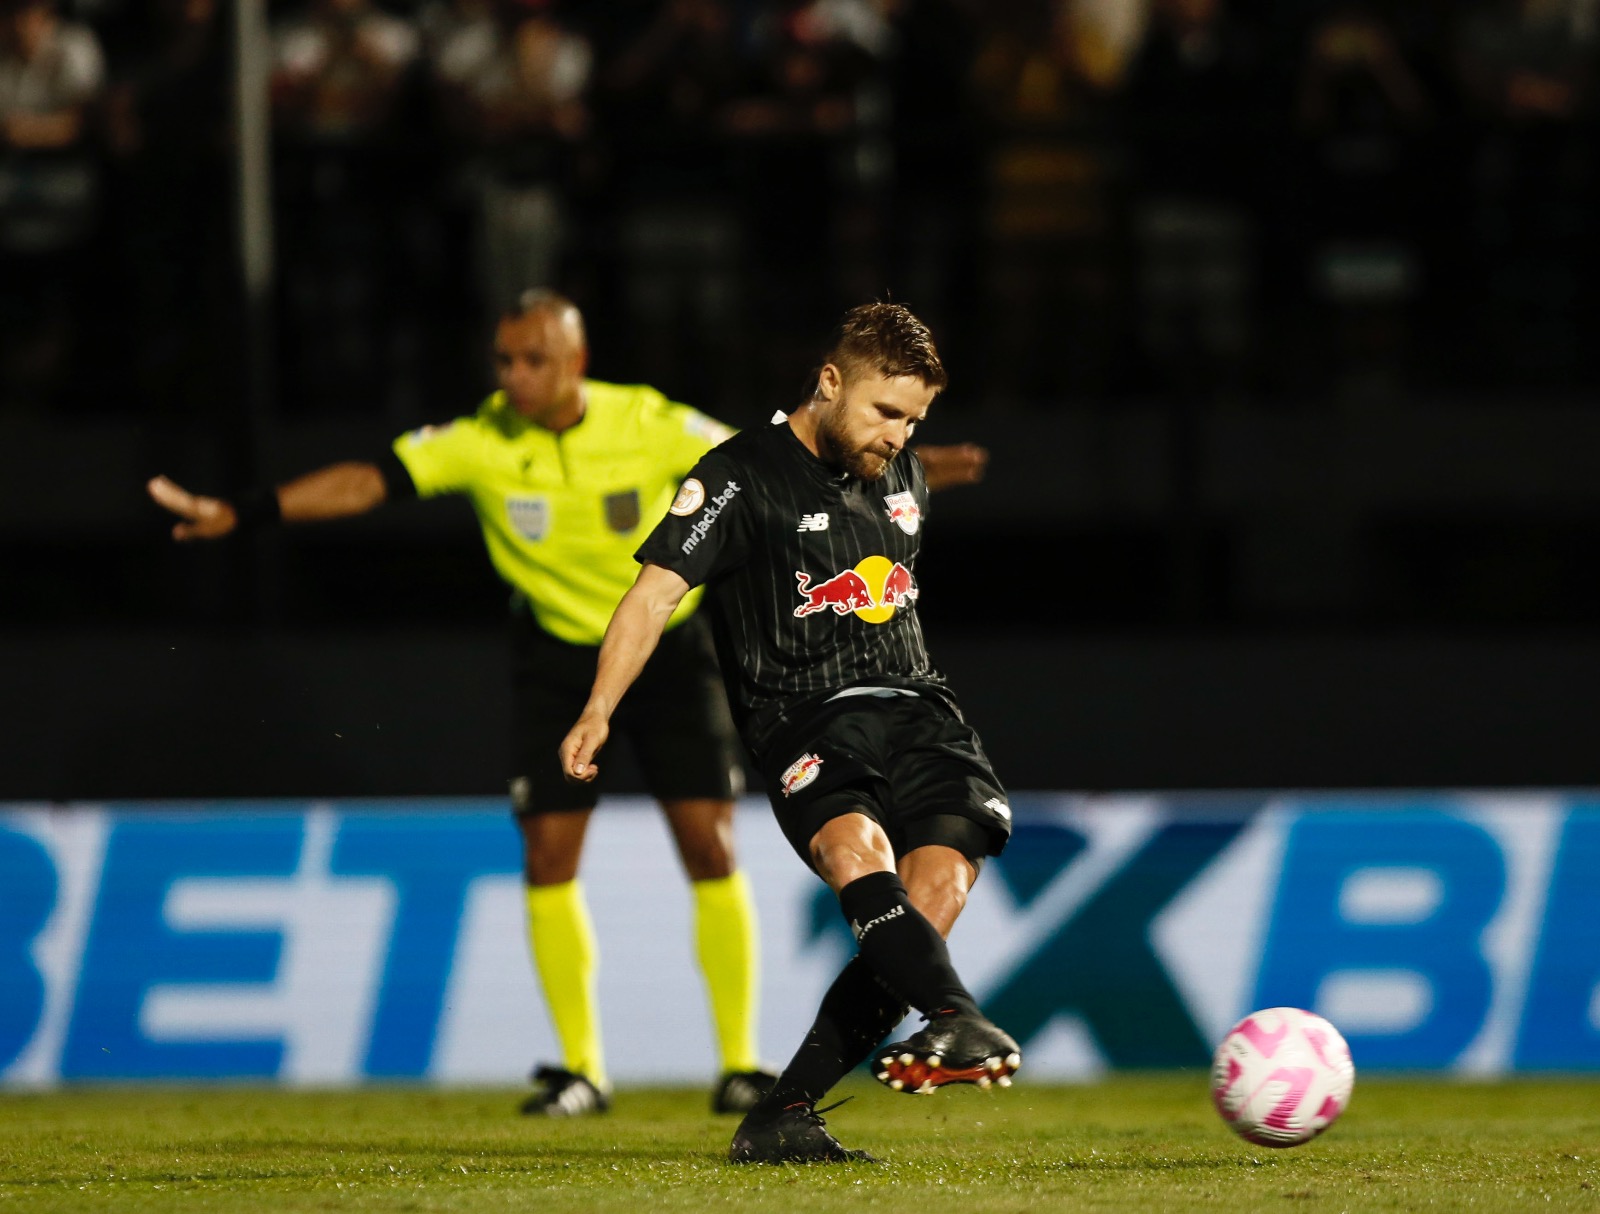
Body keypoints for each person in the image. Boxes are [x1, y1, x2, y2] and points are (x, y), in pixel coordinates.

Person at [146, 289, 989, 1120]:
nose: (515, 376)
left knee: (712, 843)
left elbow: (792, 487)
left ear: (576, 361)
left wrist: (913, 460)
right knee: (550, 852)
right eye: (504, 360)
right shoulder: (480, 440)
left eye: (533, 359)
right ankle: (583, 1068)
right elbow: (371, 482)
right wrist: (244, 512)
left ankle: (744, 1065)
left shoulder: (653, 422)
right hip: (561, 655)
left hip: (675, 655)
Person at [560, 300, 1017, 1164]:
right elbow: (655, 594)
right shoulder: (737, 477)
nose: (899, 435)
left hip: (923, 710)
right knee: (857, 853)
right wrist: (598, 708)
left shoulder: (904, 475)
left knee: (940, 891)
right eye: (887, 411)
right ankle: (957, 1017)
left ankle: (784, 1114)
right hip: (806, 713)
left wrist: (926, 455)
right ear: (830, 380)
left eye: (915, 419)